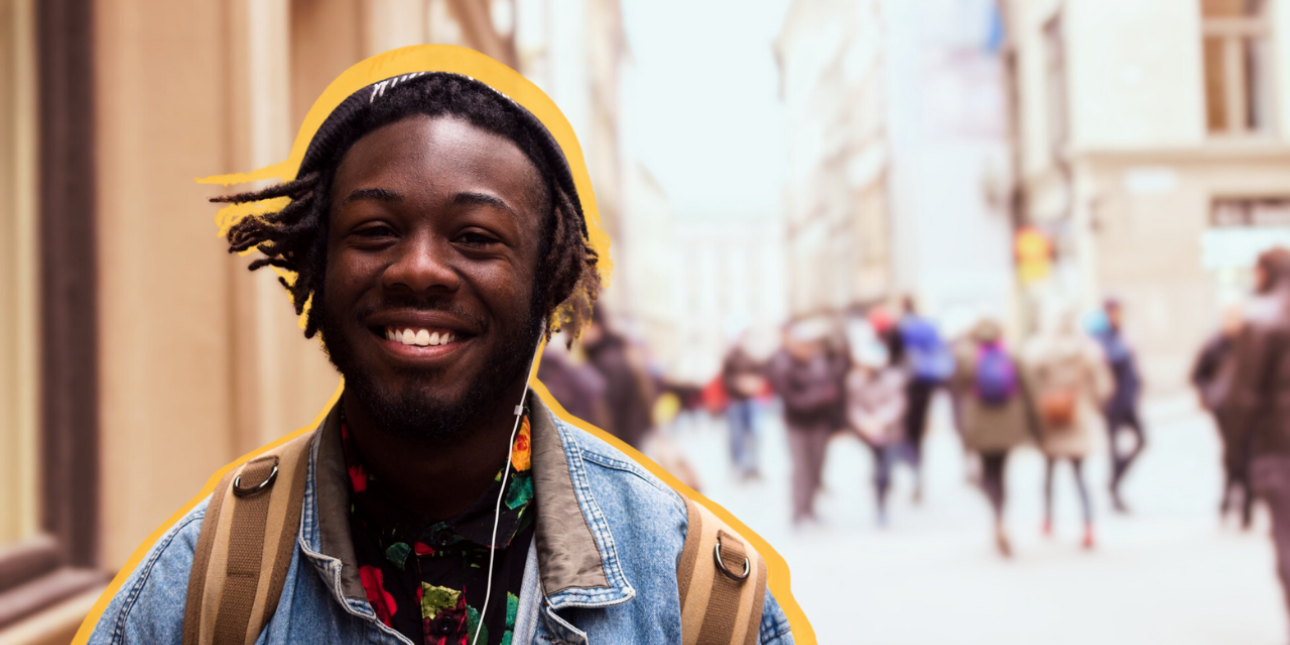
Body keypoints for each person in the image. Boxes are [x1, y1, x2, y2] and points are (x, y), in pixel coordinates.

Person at [87, 69, 792, 644]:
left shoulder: (696, 596)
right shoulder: (198, 594)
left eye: (476, 237)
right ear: (319, 263)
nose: (418, 268)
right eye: (375, 229)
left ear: (547, 279)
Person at [1223, 246, 1290, 637]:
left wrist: (1235, 452)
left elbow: (1242, 397)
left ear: (1264, 273)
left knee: (1286, 535)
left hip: (1278, 448)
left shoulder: (1263, 320)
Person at [1024, 306, 1112, 549]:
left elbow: (1029, 384)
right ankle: (1088, 527)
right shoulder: (1088, 352)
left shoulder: (1040, 350)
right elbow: (1103, 388)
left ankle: (1048, 520)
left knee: (1048, 474)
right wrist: (1087, 404)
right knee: (1081, 477)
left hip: (1049, 419)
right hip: (1078, 418)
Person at [951, 319, 1036, 557]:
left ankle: (996, 517)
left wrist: (961, 430)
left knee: (987, 474)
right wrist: (1036, 430)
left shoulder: (966, 355)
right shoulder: (1011, 352)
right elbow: (1030, 389)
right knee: (1003, 473)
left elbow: (958, 391)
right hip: (1009, 424)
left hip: (980, 425)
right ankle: (1001, 518)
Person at [769, 317, 848, 526]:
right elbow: (791, 399)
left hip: (819, 421)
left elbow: (833, 379)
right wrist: (819, 398)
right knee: (801, 467)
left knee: (817, 465)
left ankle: (810, 508)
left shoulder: (819, 361)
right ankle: (799, 510)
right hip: (797, 423)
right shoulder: (784, 363)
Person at [1191, 303, 1249, 526]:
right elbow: (1197, 375)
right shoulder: (1214, 345)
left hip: (1245, 410)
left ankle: (1242, 506)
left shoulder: (1250, 341)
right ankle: (1229, 502)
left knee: (1243, 455)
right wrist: (1213, 394)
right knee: (1232, 455)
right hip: (1223, 410)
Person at [845, 327, 907, 527]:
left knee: (885, 469)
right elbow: (854, 407)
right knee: (877, 469)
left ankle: (884, 495)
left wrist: (879, 420)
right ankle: (879, 503)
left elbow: (897, 405)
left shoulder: (893, 379)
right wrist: (864, 422)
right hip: (869, 433)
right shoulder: (855, 381)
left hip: (889, 432)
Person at [896, 296, 955, 503]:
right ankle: (918, 475)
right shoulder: (928, 325)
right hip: (927, 384)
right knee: (919, 433)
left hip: (907, 385)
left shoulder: (902, 327)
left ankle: (909, 469)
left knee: (906, 433)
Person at [1093, 298, 1146, 513]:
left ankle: (1114, 481)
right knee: (1113, 449)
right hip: (1112, 403)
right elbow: (1110, 360)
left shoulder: (1122, 333)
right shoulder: (1101, 336)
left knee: (1142, 441)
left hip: (1129, 400)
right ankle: (1114, 491)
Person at [581, 307, 655, 450]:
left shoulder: (606, 362)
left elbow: (610, 414)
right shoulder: (619, 352)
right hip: (634, 442)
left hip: (623, 445)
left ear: (596, 326)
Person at [722, 334, 768, 479]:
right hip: (735, 401)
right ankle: (739, 466)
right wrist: (738, 384)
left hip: (751, 400)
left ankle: (753, 465)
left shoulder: (751, 355)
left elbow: (760, 374)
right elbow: (725, 380)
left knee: (755, 433)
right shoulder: (729, 357)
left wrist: (754, 383)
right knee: (737, 436)